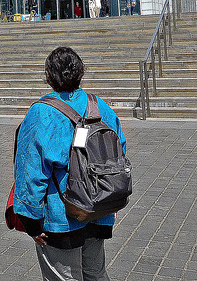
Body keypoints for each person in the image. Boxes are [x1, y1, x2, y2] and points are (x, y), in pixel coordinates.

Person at [14, 47, 126, 281]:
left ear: (48, 76)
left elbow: (31, 172)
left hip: (61, 216)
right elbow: (120, 150)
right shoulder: (99, 106)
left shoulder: (41, 113)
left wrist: (31, 222)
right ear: (80, 73)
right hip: (99, 207)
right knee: (96, 274)